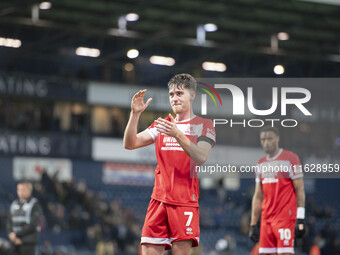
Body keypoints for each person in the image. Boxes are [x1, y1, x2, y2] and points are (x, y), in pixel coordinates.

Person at [123, 73, 216, 255]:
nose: (174, 98)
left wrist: (178, 134)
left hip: (184, 202)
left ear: (192, 95)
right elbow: (130, 143)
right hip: (158, 201)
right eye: (171, 94)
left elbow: (202, 156)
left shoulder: (204, 125)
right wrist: (134, 115)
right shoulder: (162, 125)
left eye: (180, 93)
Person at [249, 126, 305, 255]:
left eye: (269, 138)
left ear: (277, 139)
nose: (266, 142)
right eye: (263, 139)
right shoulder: (260, 164)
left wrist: (300, 218)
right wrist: (253, 224)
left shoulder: (290, 158)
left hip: (285, 218)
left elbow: (300, 189)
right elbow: (258, 196)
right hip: (266, 220)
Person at [7, 181, 44, 255]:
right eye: (19, 189)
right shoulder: (14, 204)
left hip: (27, 242)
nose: (20, 192)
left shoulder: (34, 204)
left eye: (23, 189)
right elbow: (9, 221)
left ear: (30, 191)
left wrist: (17, 235)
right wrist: (11, 234)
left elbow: (33, 224)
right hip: (14, 242)